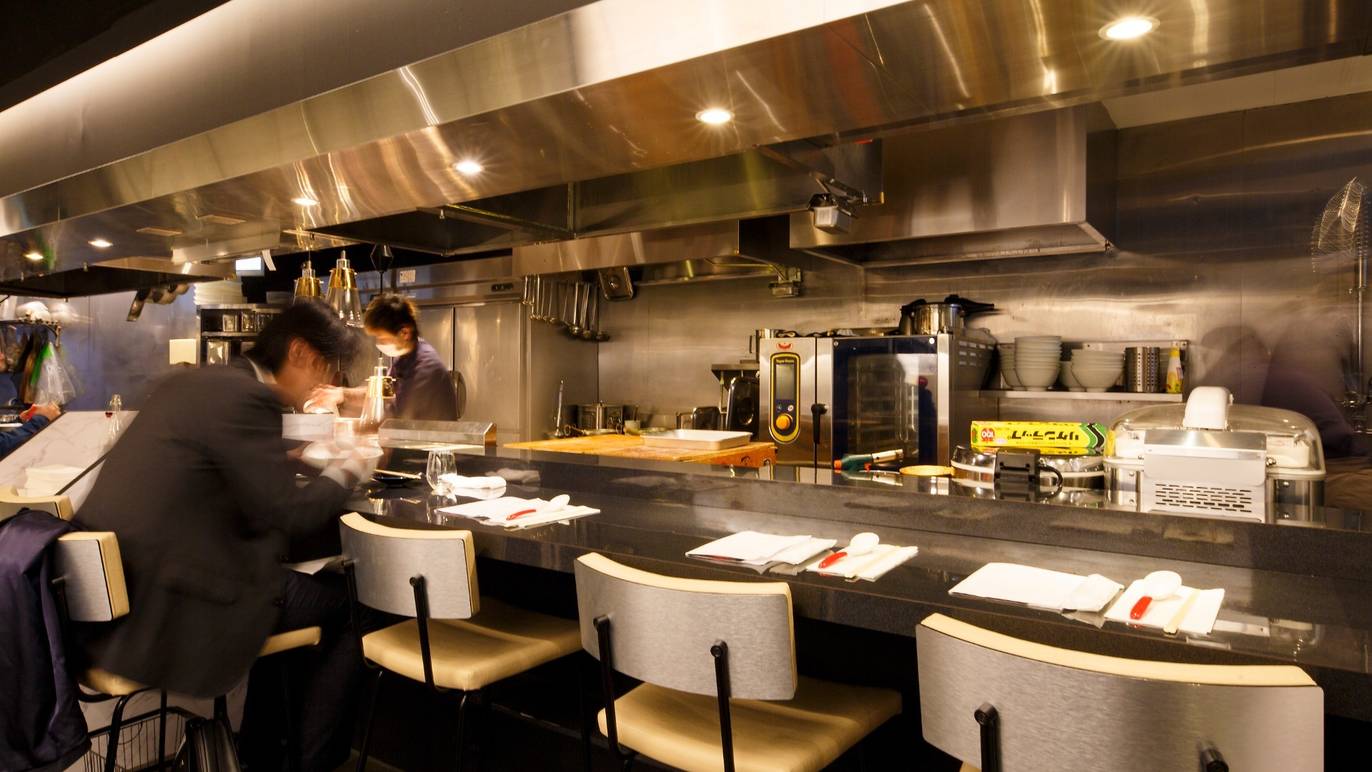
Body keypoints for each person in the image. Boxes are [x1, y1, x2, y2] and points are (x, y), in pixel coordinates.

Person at [74, 301, 378, 772]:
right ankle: (310, 763)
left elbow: (221, 466)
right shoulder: (246, 398)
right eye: (326, 369)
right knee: (357, 604)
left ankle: (263, 753)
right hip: (170, 608)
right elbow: (291, 514)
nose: (326, 385)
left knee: (293, 588)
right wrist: (354, 463)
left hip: (117, 604)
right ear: (300, 352)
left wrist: (296, 454)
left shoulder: (199, 384)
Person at [309, 293, 457, 421]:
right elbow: (384, 393)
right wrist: (340, 394)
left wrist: (349, 426)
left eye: (383, 338)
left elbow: (396, 420)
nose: (379, 343)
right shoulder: (405, 358)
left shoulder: (425, 368)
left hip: (429, 444)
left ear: (405, 333)